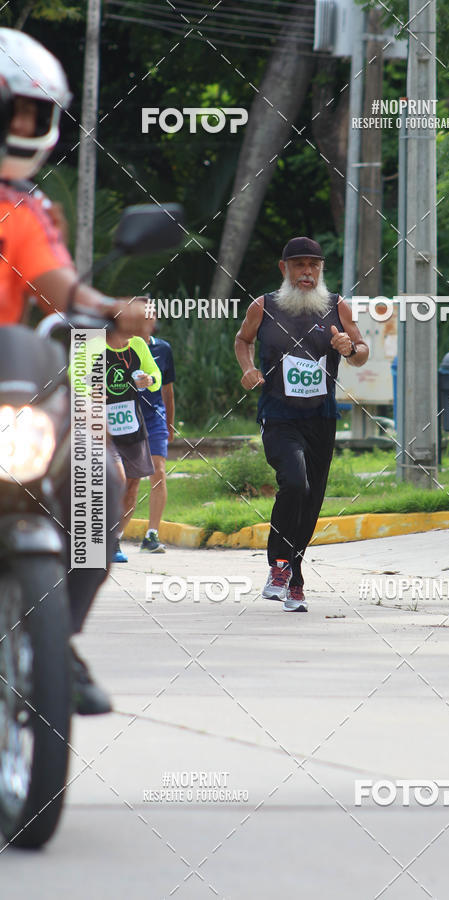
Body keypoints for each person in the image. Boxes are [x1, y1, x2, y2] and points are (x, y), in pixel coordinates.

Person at [0, 28, 155, 714]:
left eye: (39, 114)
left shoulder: (20, 207)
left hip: (6, 381)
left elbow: (58, 284)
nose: (29, 127)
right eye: (18, 111)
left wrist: (108, 308)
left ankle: (55, 641)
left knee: (97, 476)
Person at [235, 237, 369, 612]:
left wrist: (349, 349)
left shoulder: (336, 306)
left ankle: (294, 574)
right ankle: (278, 565)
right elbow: (242, 340)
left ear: (321, 270)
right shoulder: (263, 306)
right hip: (278, 415)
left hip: (321, 418)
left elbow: (361, 351)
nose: (307, 272)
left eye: (314, 265)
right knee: (294, 482)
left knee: (311, 501)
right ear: (284, 269)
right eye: (299, 265)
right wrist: (248, 369)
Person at [71, 325, 163, 563]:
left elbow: (156, 377)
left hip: (131, 425)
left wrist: (148, 379)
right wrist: (89, 393)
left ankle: (113, 540)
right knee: (118, 480)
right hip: (101, 428)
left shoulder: (139, 345)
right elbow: (74, 376)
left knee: (132, 485)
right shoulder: (93, 345)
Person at [133, 333, 176, 553]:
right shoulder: (119, 345)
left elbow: (167, 390)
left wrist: (169, 423)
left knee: (158, 472)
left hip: (154, 419)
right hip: (127, 417)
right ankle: (112, 534)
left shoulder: (163, 348)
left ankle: (152, 534)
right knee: (128, 479)